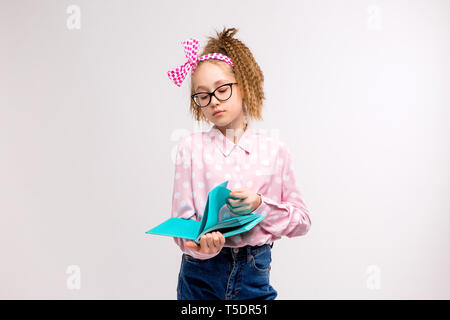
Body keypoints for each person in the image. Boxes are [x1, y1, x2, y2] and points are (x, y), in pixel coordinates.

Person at [167, 27, 312, 300]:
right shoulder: (190, 148)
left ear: (243, 86)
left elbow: (302, 222)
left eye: (222, 89)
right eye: (203, 95)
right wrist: (200, 245)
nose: (213, 102)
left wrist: (261, 204)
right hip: (201, 276)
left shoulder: (274, 150)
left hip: (254, 272)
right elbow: (181, 226)